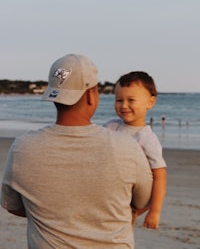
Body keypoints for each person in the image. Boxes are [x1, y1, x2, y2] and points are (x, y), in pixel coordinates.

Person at [1, 54, 153, 248]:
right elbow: (143, 201)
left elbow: (13, 206)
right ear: (91, 95)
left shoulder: (22, 148)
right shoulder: (126, 146)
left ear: (53, 94)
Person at [104, 71, 167, 230]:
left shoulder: (147, 139)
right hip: (105, 197)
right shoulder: (111, 126)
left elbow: (160, 176)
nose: (124, 105)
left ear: (150, 102)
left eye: (131, 100)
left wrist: (154, 211)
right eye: (119, 100)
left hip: (129, 203)